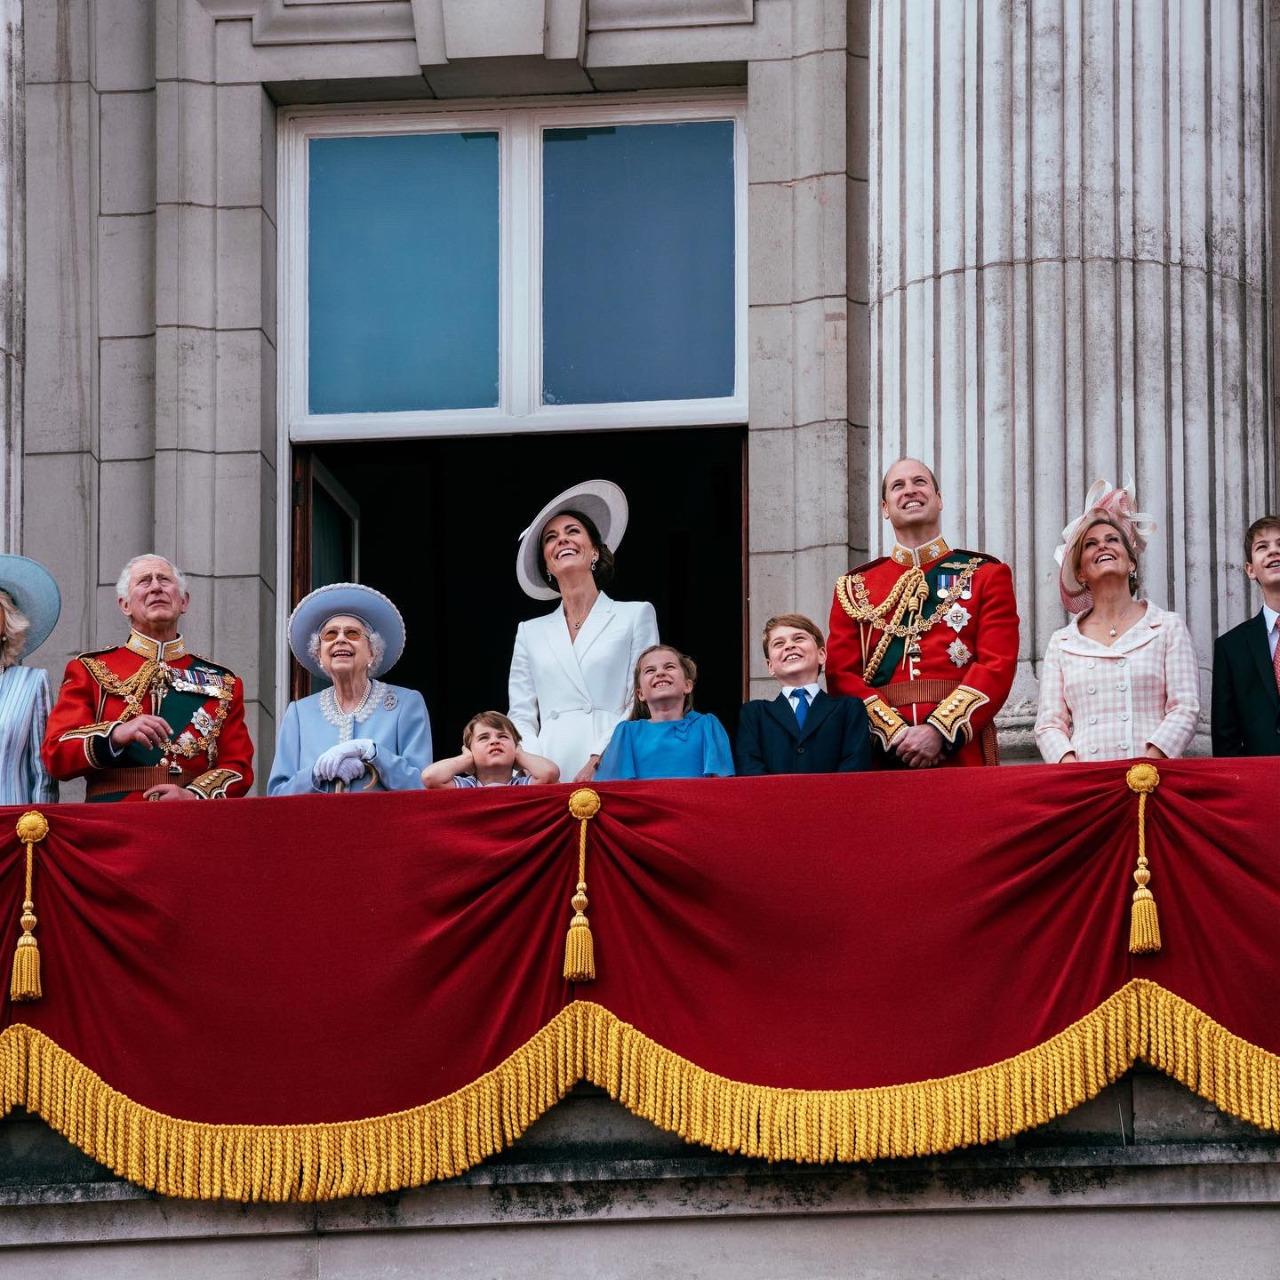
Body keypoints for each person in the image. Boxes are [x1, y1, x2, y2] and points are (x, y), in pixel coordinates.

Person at [827, 458, 1020, 767]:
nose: (910, 491)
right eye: (898, 486)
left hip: (961, 749)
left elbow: (997, 665)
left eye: (919, 482)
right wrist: (893, 734)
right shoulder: (854, 587)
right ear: (885, 507)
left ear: (939, 499)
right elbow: (840, 676)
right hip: (882, 755)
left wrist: (939, 731)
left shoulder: (985, 574)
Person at [42, 554, 253, 800]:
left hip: (189, 823)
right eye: (144, 581)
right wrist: (117, 735)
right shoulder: (90, 669)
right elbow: (56, 753)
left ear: (184, 602)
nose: (155, 587)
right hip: (111, 822)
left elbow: (238, 767)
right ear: (125, 605)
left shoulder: (224, 682)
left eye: (164, 580)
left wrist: (193, 796)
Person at [1035, 482, 1199, 763]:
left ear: (1131, 562)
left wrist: (1148, 764)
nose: (1102, 546)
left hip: (1153, 778)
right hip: (1086, 785)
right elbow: (1049, 724)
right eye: (1090, 544)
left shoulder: (1167, 627)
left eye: (1112, 539)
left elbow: (1184, 707)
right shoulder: (1062, 642)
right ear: (1081, 572)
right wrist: (1071, 769)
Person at [508, 480, 659, 784]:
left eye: (573, 532)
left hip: (613, 759)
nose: (562, 540)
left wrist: (598, 759)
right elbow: (521, 714)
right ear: (547, 563)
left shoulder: (635, 614)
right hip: (548, 766)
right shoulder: (530, 632)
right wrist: (537, 766)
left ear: (594, 551)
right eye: (551, 537)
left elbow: (639, 698)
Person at [268, 583, 430, 794]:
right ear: (319, 655)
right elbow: (277, 795)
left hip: (384, 825)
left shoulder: (406, 704)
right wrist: (316, 773)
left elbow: (422, 786)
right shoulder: (299, 713)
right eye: (330, 635)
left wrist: (372, 753)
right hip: (317, 826)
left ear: (372, 652)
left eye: (353, 634)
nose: (340, 639)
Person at [735, 613, 871, 775]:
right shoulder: (754, 714)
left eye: (799, 638)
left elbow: (855, 767)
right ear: (770, 666)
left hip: (835, 799)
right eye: (778, 643)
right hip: (774, 800)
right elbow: (750, 770)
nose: (789, 646)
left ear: (822, 655)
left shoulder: (849, 708)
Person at [595, 645, 734, 781]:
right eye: (650, 670)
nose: (660, 673)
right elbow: (613, 790)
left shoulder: (707, 726)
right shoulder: (627, 733)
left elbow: (722, 789)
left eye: (669, 667)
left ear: (687, 685)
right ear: (640, 693)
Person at [1212, 515, 1280, 756]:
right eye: (1263, 547)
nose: (1274, 551)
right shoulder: (1231, 647)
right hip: (1260, 785)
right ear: (1250, 569)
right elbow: (1225, 739)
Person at [0, 555, 61, 805]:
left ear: (7, 625)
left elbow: (44, 775)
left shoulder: (32, 683)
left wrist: (36, 835)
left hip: (10, 831)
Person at [422, 711, 559, 788]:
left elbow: (550, 773)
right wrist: (466, 759)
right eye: (483, 738)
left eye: (503, 736)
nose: (494, 741)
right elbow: (430, 777)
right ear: (469, 751)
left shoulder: (521, 784)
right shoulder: (467, 786)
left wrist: (519, 754)